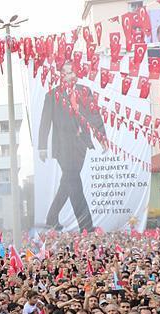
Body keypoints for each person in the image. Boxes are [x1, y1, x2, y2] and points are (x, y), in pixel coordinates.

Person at [37, 62, 106, 231]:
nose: (71, 76)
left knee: (68, 181)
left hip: (81, 144)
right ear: (61, 75)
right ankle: (86, 226)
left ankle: (51, 218)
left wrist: (102, 137)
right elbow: (45, 122)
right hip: (63, 146)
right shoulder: (52, 96)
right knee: (74, 181)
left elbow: (95, 116)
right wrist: (42, 147)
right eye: (67, 73)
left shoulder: (85, 92)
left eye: (73, 72)